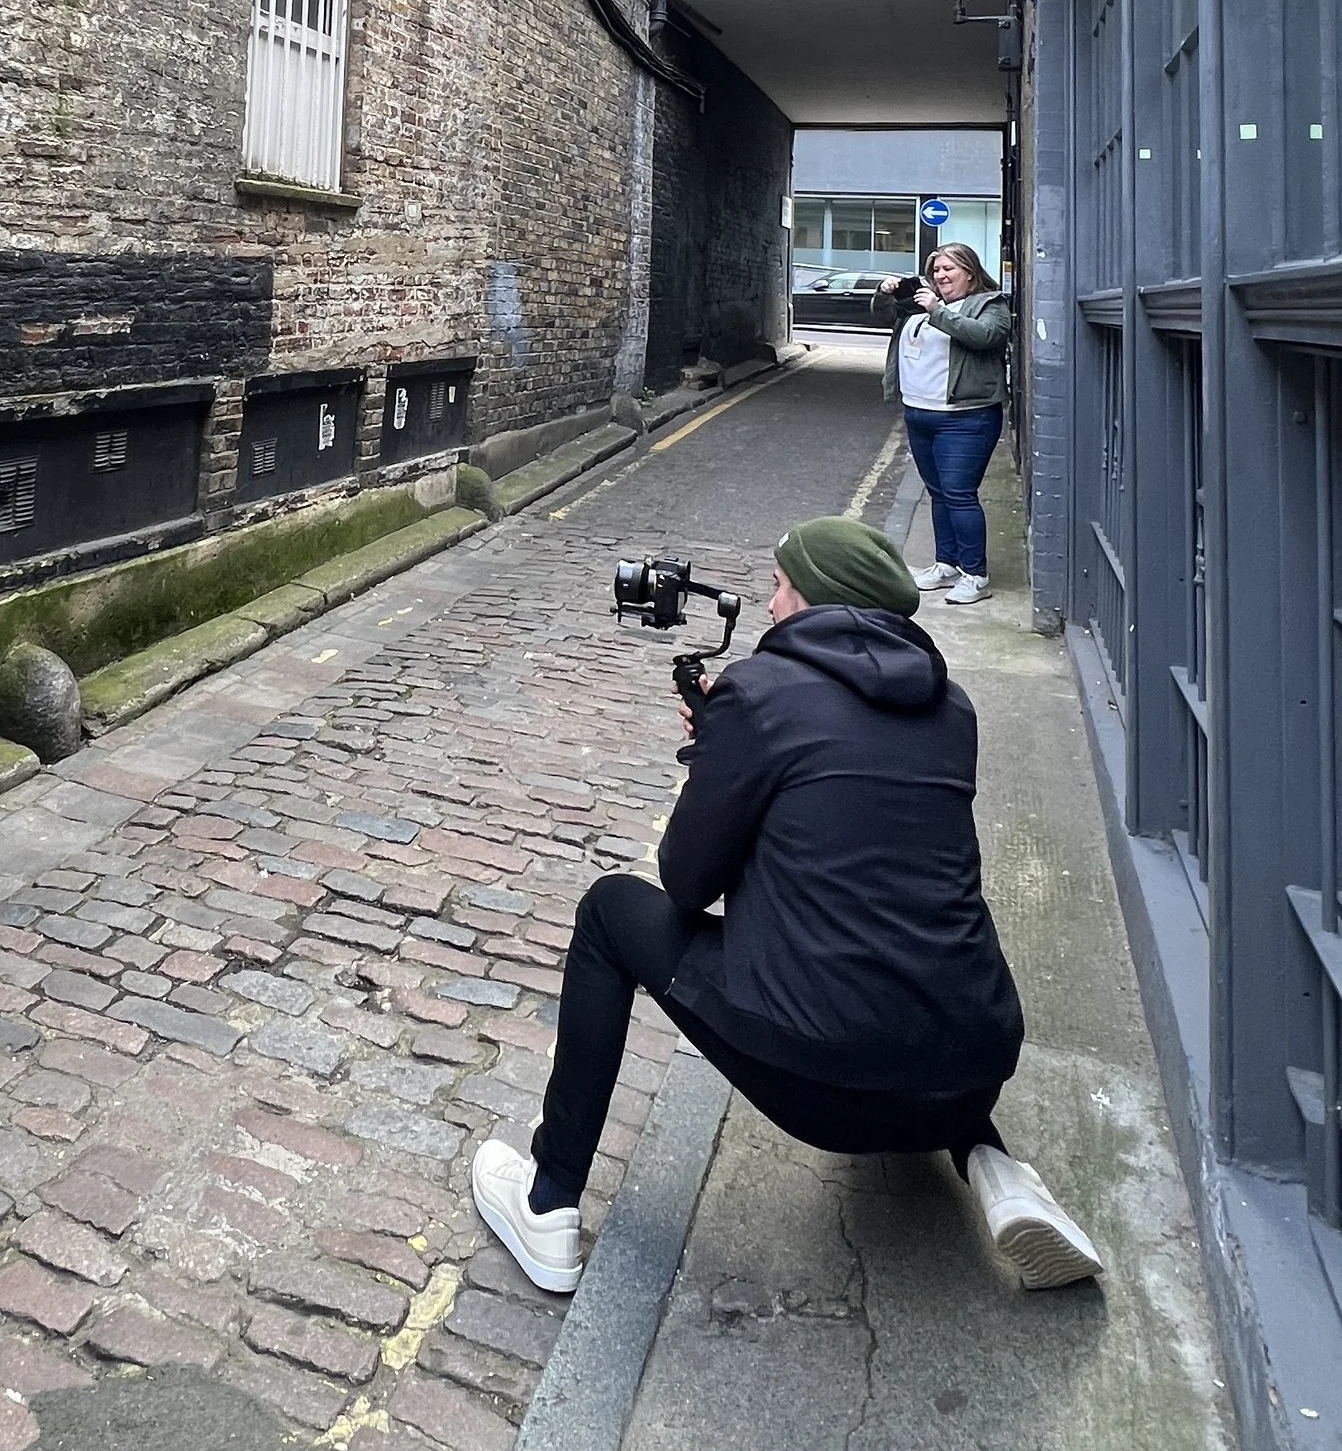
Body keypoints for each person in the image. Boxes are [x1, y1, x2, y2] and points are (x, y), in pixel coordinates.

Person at [471, 514, 1099, 1298]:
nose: (769, 606)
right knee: (914, 927)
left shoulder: (761, 694)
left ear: (811, 598)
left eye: (778, 587)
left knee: (608, 912)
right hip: (972, 1070)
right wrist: (735, 746)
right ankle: (995, 1165)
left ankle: (547, 1202)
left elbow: (687, 881)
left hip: (822, 1087)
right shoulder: (955, 710)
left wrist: (722, 754)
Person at [882, 240, 1012, 607]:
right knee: (938, 493)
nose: (940, 275)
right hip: (919, 414)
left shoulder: (990, 304)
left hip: (966, 418)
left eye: (948, 269)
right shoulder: (920, 304)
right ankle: (947, 565)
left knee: (959, 494)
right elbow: (881, 317)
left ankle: (976, 575)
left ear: (969, 272)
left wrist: (937, 311)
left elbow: (985, 337)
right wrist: (885, 294)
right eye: (936, 270)